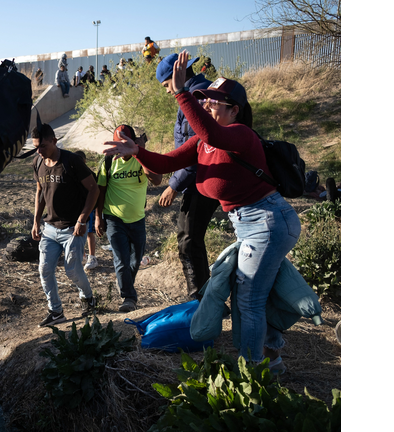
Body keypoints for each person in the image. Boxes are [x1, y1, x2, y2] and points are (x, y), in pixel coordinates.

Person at [102, 50, 300, 371]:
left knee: (247, 300)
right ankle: (271, 351)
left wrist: (182, 92)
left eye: (213, 101)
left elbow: (212, 132)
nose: (206, 103)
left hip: (268, 222)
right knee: (257, 293)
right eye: (204, 100)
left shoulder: (239, 135)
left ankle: (255, 368)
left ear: (234, 110)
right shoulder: (202, 144)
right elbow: (167, 162)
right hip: (251, 227)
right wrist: (137, 151)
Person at [155, 53, 220, 300]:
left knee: (188, 239)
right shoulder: (199, 92)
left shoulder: (196, 97)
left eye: (165, 85)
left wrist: (173, 185)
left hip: (201, 180)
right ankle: (206, 296)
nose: (166, 91)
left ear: (176, 77)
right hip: (199, 179)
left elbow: (196, 150)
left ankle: (198, 300)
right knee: (192, 238)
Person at [31, 124, 99, 327]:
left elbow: (93, 190)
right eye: (36, 146)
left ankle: (88, 298)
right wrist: (35, 220)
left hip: (72, 228)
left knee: (73, 271)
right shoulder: (38, 162)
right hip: (49, 228)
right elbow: (40, 192)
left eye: (42, 146)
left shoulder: (72, 161)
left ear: (54, 141)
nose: (39, 151)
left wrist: (83, 219)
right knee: (44, 270)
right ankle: (55, 311)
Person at [95, 126, 162, 312]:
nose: (120, 147)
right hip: (114, 218)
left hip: (138, 219)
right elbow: (100, 190)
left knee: (135, 260)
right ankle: (128, 298)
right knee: (121, 260)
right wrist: (98, 218)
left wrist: (141, 156)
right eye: (117, 143)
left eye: (124, 143)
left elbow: (157, 180)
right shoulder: (108, 162)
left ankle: (125, 285)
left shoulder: (141, 158)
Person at [74, 151, 98, 271]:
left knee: (89, 233)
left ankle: (92, 257)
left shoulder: (90, 174)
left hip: (89, 208)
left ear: (84, 161)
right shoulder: (72, 174)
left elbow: (96, 192)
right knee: (79, 232)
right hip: (77, 208)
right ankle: (83, 255)